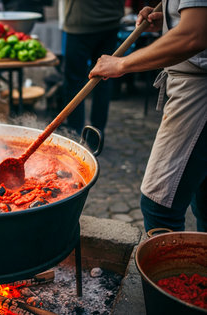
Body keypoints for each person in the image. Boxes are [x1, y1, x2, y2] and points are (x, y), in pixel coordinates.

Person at [89, 1, 207, 232]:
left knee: (159, 205)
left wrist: (122, 63)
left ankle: (168, 269)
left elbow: (195, 34)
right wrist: (171, 18)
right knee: (203, 198)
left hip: (198, 91)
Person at [61, 0, 125, 135]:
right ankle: (96, 133)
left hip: (81, 23)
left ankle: (75, 133)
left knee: (75, 82)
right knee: (103, 80)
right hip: (110, 20)